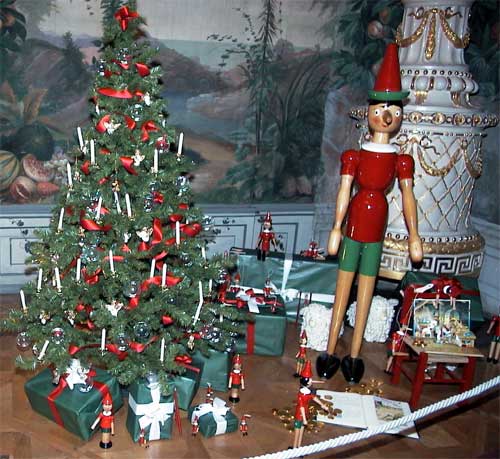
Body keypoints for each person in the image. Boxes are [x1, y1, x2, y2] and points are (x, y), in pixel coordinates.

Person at [317, 43, 423, 383]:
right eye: (381, 108)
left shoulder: (401, 161)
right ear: (370, 111)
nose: (387, 115)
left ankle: (354, 354)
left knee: (366, 291)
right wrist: (336, 228)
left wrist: (415, 237)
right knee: (342, 289)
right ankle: (329, 350)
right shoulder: (354, 156)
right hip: (352, 230)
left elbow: (408, 197)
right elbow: (344, 191)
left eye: (394, 109)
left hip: (376, 232)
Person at [292, 361, 329, 449]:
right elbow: (301, 407)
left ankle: (299, 447)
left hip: (305, 413)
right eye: (310, 380)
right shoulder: (301, 395)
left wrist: (322, 405)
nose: (312, 381)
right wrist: (304, 419)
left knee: (301, 431)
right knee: (297, 432)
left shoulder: (308, 393)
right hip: (299, 416)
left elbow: (314, 398)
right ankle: (294, 448)